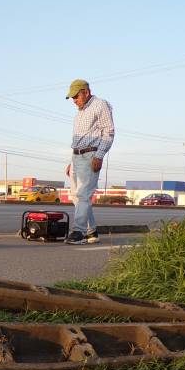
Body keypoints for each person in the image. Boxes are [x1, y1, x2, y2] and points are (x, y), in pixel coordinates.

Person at [64, 79, 115, 245]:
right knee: (76, 197)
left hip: (90, 156)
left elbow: (109, 132)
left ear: (85, 92)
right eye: (72, 98)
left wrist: (99, 155)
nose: (74, 101)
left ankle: (78, 231)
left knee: (83, 195)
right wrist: (72, 161)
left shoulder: (100, 105)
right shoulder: (80, 112)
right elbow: (80, 139)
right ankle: (91, 231)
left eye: (76, 97)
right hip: (76, 156)